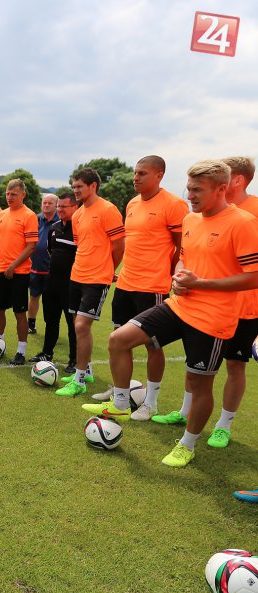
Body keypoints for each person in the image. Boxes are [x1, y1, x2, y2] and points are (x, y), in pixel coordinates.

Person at [98, 160, 258, 467]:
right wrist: (179, 275)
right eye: (189, 188)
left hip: (214, 318)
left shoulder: (242, 223)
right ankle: (120, 403)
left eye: (198, 190)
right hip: (179, 305)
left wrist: (202, 283)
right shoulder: (190, 220)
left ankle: (187, 444)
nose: (190, 195)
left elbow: (254, 276)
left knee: (199, 384)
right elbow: (184, 258)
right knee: (119, 339)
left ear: (221, 189)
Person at [155, 157, 258, 446]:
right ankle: (185, 412)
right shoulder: (204, 213)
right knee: (196, 364)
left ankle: (224, 425)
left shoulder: (250, 214)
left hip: (246, 306)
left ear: (236, 180)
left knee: (235, 365)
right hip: (205, 306)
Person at [93, 157, 187, 416]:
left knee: (153, 345)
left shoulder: (174, 204)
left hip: (153, 286)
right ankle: (119, 394)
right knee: (119, 341)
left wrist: (169, 273)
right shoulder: (132, 203)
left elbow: (182, 247)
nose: (136, 177)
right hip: (126, 282)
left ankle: (150, 403)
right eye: (135, 172)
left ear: (159, 175)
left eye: (142, 173)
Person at [54, 168, 125, 396]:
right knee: (77, 326)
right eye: (73, 187)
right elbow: (81, 245)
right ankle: (87, 371)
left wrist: (109, 269)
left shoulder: (108, 209)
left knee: (81, 326)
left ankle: (79, 381)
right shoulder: (77, 215)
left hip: (97, 278)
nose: (75, 190)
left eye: (79, 187)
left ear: (93, 186)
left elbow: (119, 246)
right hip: (77, 275)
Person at [0, 179, 38, 366]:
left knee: (19, 312)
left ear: (23, 195)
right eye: (7, 194)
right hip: (0, 271)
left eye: (13, 194)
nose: (9, 197)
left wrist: (13, 266)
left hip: (19, 273)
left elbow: (31, 246)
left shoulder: (29, 216)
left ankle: (21, 352)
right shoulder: (1, 214)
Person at [28, 192, 79, 372]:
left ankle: (74, 359)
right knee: (51, 320)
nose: (59, 209)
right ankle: (47, 353)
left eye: (63, 206)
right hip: (52, 282)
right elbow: (51, 251)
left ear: (75, 207)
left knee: (72, 324)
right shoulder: (54, 228)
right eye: (59, 206)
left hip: (71, 284)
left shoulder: (80, 228)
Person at [27, 193, 60, 334]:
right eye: (44, 202)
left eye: (50, 203)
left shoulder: (61, 222)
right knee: (33, 296)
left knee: (51, 301)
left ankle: (51, 328)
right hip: (35, 267)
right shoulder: (36, 219)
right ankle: (31, 325)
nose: (46, 205)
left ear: (56, 205)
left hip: (52, 270)